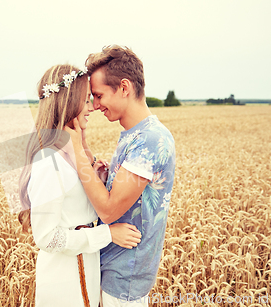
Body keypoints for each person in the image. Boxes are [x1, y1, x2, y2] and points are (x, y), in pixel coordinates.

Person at [18, 64, 142, 307]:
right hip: (63, 281)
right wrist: (107, 234)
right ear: (68, 103)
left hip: (83, 268)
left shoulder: (71, 155)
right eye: (86, 100)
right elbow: (46, 238)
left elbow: (81, 208)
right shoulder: (49, 161)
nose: (92, 107)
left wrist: (98, 173)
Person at [64, 46, 176, 306]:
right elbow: (120, 195)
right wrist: (92, 160)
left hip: (125, 275)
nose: (94, 105)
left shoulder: (149, 139)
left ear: (124, 87)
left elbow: (109, 210)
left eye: (99, 95)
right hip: (114, 266)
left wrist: (78, 151)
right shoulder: (134, 133)